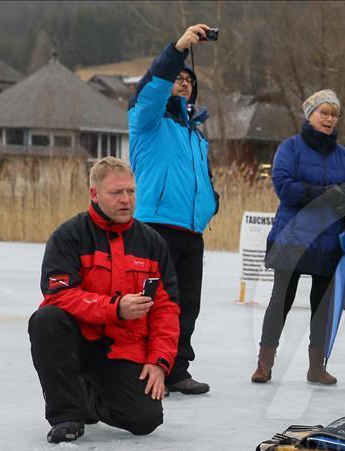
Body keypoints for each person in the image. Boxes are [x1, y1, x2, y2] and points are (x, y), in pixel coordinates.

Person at [28, 158, 180, 444]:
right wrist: (115, 308)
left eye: (131, 192)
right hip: (79, 339)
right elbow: (58, 295)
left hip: (122, 347)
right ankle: (67, 416)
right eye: (116, 193)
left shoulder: (152, 243)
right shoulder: (68, 236)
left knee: (145, 420)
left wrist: (159, 361)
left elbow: (166, 309)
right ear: (94, 194)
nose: (126, 200)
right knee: (46, 320)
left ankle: (89, 396)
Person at [128, 24, 219, 396]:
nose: (183, 83)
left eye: (188, 80)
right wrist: (179, 49)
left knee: (187, 306)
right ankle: (139, 367)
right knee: (153, 302)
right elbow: (151, 87)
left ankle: (177, 368)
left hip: (191, 231)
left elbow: (202, 180)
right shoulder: (148, 121)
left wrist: (212, 203)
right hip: (155, 228)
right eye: (178, 79)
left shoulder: (196, 134)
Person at [250, 90, 345, 385]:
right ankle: (265, 364)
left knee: (322, 305)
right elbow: (284, 187)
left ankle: (316, 367)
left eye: (334, 114)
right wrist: (325, 195)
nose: (329, 118)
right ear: (309, 114)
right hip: (292, 238)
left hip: (328, 239)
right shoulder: (290, 148)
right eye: (324, 112)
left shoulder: (344, 157)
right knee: (280, 302)